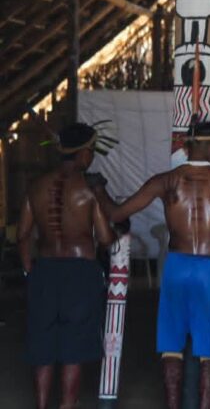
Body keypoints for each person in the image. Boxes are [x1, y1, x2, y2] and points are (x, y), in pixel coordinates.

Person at [93, 121, 210, 409]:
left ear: (186, 147)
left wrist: (98, 188)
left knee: (171, 345)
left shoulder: (166, 181)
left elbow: (116, 213)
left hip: (177, 266)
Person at [17, 122, 115, 409]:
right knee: (74, 346)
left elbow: (23, 236)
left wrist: (29, 270)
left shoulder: (36, 187)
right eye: (91, 151)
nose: (91, 156)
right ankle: (67, 405)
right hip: (80, 273)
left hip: (45, 271)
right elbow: (105, 238)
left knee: (43, 346)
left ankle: (42, 405)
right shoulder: (89, 189)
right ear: (83, 153)